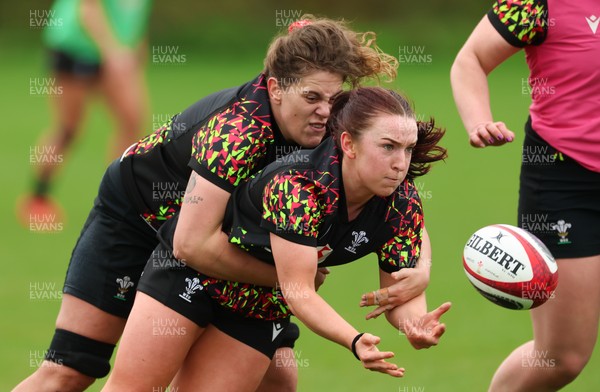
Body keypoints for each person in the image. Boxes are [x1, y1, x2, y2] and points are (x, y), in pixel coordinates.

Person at [13, 16, 402, 392]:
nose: (325, 111)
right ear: (276, 88)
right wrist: (290, 280)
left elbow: (400, 191)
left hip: (214, 237)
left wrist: (418, 272)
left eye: (334, 99)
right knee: (71, 371)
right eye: (312, 97)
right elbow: (191, 244)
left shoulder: (331, 125)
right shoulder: (238, 131)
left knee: (278, 379)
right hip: (137, 219)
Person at [102, 87, 451, 391]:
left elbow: (398, 288)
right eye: (388, 147)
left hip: (259, 303)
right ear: (349, 144)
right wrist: (354, 339)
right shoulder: (299, 187)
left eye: (408, 149)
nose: (400, 163)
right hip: (192, 273)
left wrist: (414, 324)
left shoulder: (401, 203)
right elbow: (299, 289)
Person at [450, 1, 600, 390]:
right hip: (566, 180)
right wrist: (479, 120)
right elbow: (471, 60)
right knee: (559, 357)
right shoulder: (534, 4)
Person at [18, 0, 152, 224]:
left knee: (132, 120)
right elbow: (88, 9)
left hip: (117, 52)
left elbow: (135, 15)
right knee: (69, 128)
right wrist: (113, 52)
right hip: (75, 48)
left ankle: (116, 198)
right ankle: (37, 198)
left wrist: (137, 47)